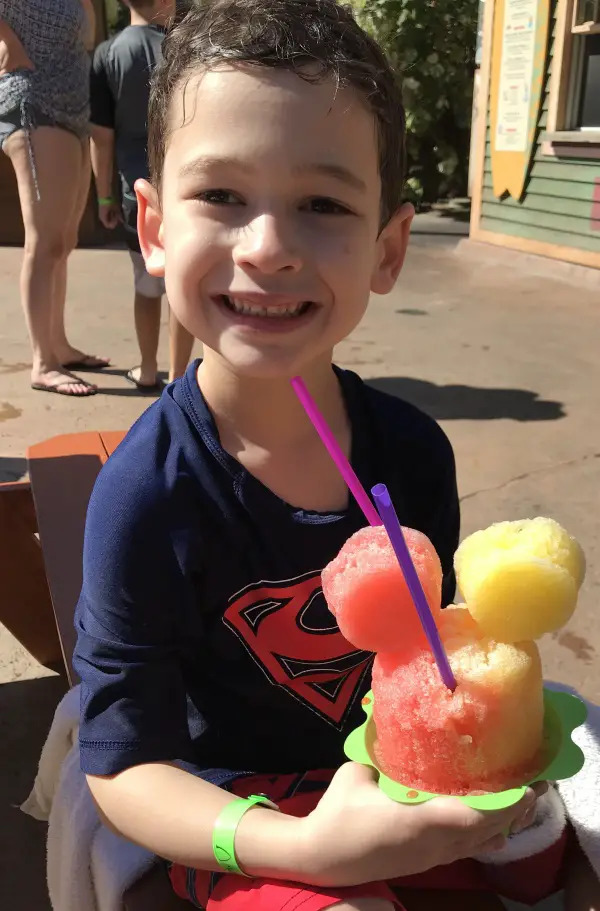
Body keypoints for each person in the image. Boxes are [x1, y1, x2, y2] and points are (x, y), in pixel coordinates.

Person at [73, 2, 550, 910]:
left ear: (388, 247)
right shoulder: (147, 495)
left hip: (401, 781)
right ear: (154, 227)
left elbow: (430, 667)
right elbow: (126, 762)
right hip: (240, 811)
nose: (270, 248)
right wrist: (304, 848)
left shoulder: (412, 452)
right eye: (220, 196)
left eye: (322, 205)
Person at [0, 0, 109, 397]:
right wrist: (7, 38)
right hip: (34, 101)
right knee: (45, 241)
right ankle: (43, 363)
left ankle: (58, 345)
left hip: (74, 108)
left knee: (63, 241)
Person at [89, 0, 194, 390]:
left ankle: (148, 368)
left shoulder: (107, 55)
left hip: (137, 197)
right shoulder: (186, 49)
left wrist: (103, 199)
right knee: (181, 285)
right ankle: (179, 377)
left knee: (146, 283)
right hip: (186, 191)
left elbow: (101, 137)